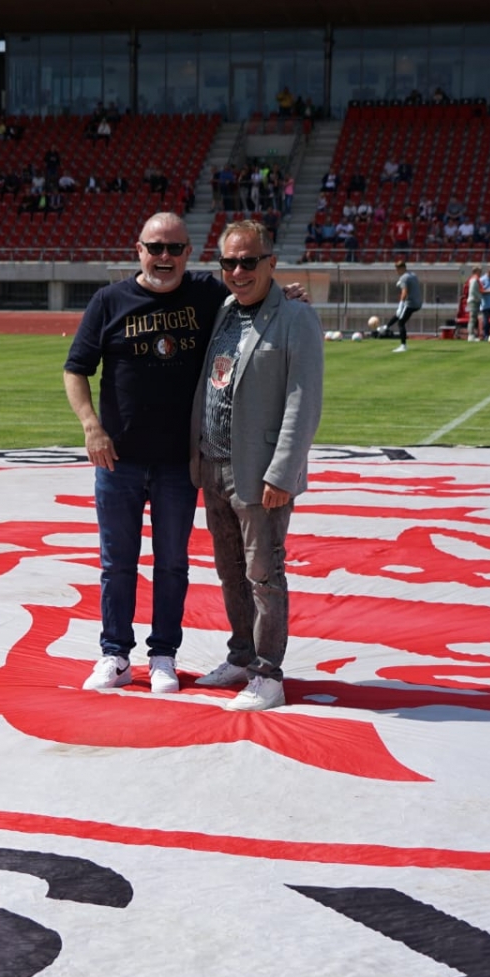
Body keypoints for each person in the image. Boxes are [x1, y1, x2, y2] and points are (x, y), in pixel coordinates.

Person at [63, 214, 305, 696]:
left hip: (179, 461)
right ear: (138, 249)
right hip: (119, 460)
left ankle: (163, 655)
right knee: (116, 562)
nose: (164, 257)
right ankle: (115, 653)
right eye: (155, 247)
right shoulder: (109, 300)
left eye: (174, 249)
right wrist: (91, 427)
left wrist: (284, 296)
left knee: (172, 562)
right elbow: (76, 369)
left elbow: (251, 289)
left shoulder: (207, 293)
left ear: (188, 254)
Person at [188, 219, 324, 713]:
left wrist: (283, 473)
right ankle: (242, 656)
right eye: (229, 262)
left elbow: (303, 401)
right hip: (214, 466)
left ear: (271, 262)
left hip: (260, 472)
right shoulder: (225, 310)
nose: (238, 271)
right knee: (231, 573)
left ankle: (268, 674)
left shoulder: (296, 318)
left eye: (248, 261)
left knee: (264, 576)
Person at [390, 259, 422, 352]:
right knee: (399, 316)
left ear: (402, 268)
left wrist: (400, 305)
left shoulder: (404, 277)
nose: (396, 271)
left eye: (397, 269)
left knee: (401, 322)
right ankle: (386, 327)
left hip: (411, 303)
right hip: (418, 302)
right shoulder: (413, 275)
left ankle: (403, 346)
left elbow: (404, 292)